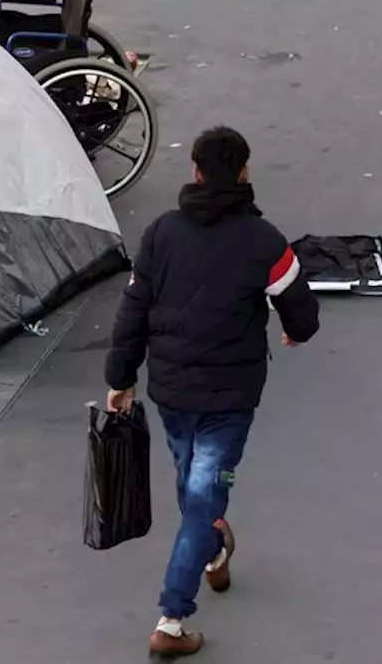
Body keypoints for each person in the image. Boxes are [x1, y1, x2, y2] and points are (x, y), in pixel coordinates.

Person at [103, 126, 320, 657]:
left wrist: (120, 377)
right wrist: (293, 330)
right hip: (230, 399)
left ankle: (213, 548)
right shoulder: (265, 242)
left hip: (171, 394)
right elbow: (303, 315)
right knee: (202, 499)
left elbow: (134, 311)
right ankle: (172, 620)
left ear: (195, 172)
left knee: (193, 487)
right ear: (244, 172)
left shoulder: (160, 234)